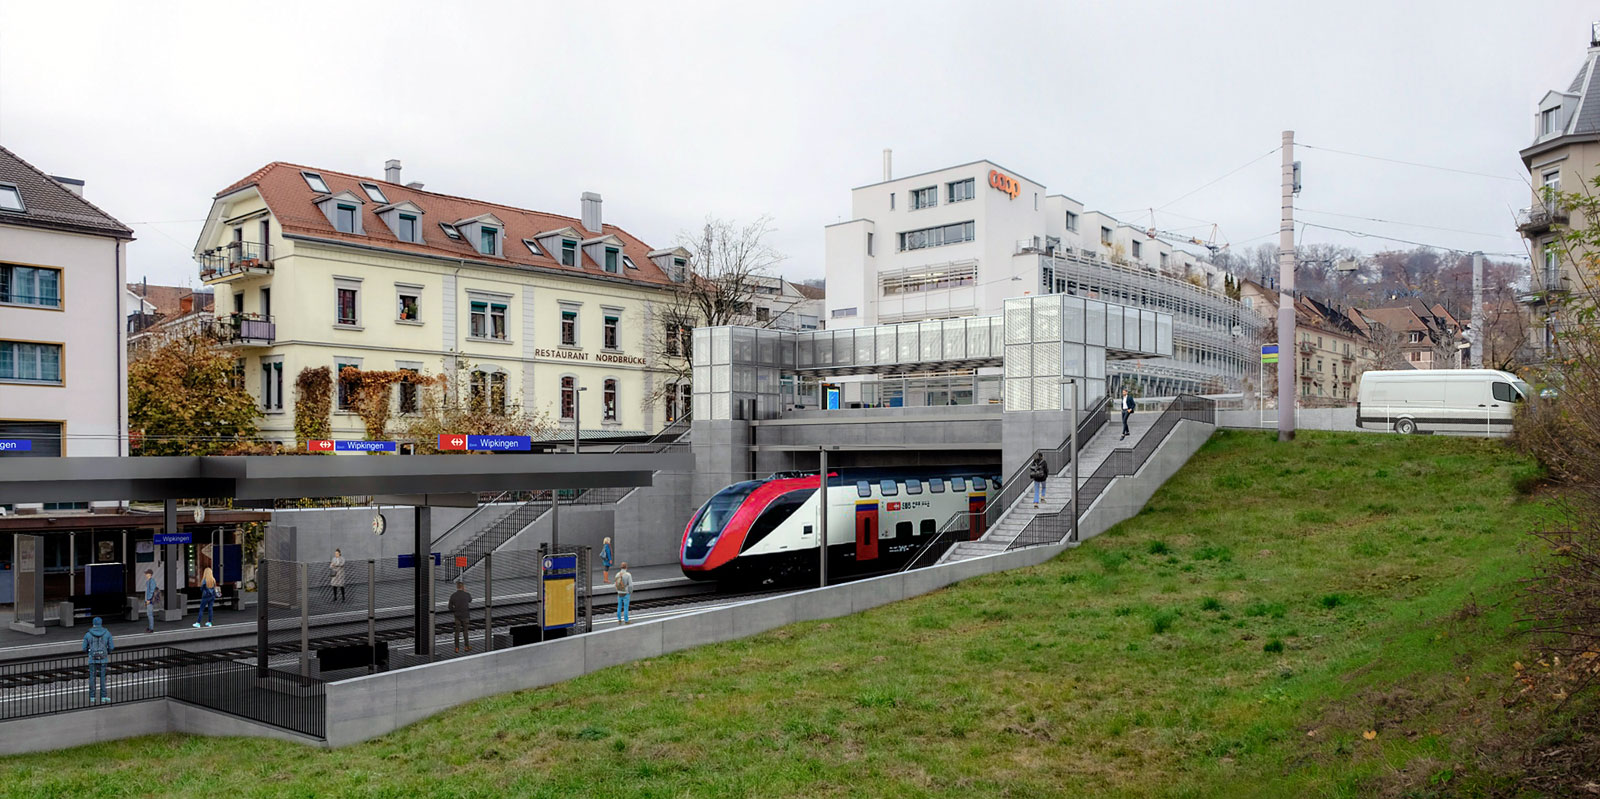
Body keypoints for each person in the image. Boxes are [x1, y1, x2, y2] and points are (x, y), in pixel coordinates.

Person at [82, 617, 113, 703]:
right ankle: (103, 697)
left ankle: (92, 697)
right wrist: (107, 652)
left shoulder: (88, 634)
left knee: (92, 677)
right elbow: (111, 647)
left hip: (92, 659)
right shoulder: (107, 633)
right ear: (101, 623)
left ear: (93, 624)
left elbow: (84, 648)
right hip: (103, 659)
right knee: (103, 678)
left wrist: (88, 652)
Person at [449, 581, 472, 653]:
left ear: (457, 587)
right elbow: (470, 600)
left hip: (457, 616)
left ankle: (456, 648)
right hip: (465, 616)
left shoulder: (453, 595)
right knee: (465, 632)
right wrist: (465, 592)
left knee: (457, 632)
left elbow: (449, 607)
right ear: (463, 587)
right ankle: (466, 647)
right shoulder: (466, 594)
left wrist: (455, 610)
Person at [142, 569, 159, 633]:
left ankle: (151, 628)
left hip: (150, 600)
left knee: (150, 614)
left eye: (146, 573)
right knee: (149, 614)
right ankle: (150, 627)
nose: (145, 574)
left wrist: (148, 600)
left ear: (150, 574)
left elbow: (151, 591)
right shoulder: (148, 581)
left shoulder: (152, 581)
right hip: (148, 600)